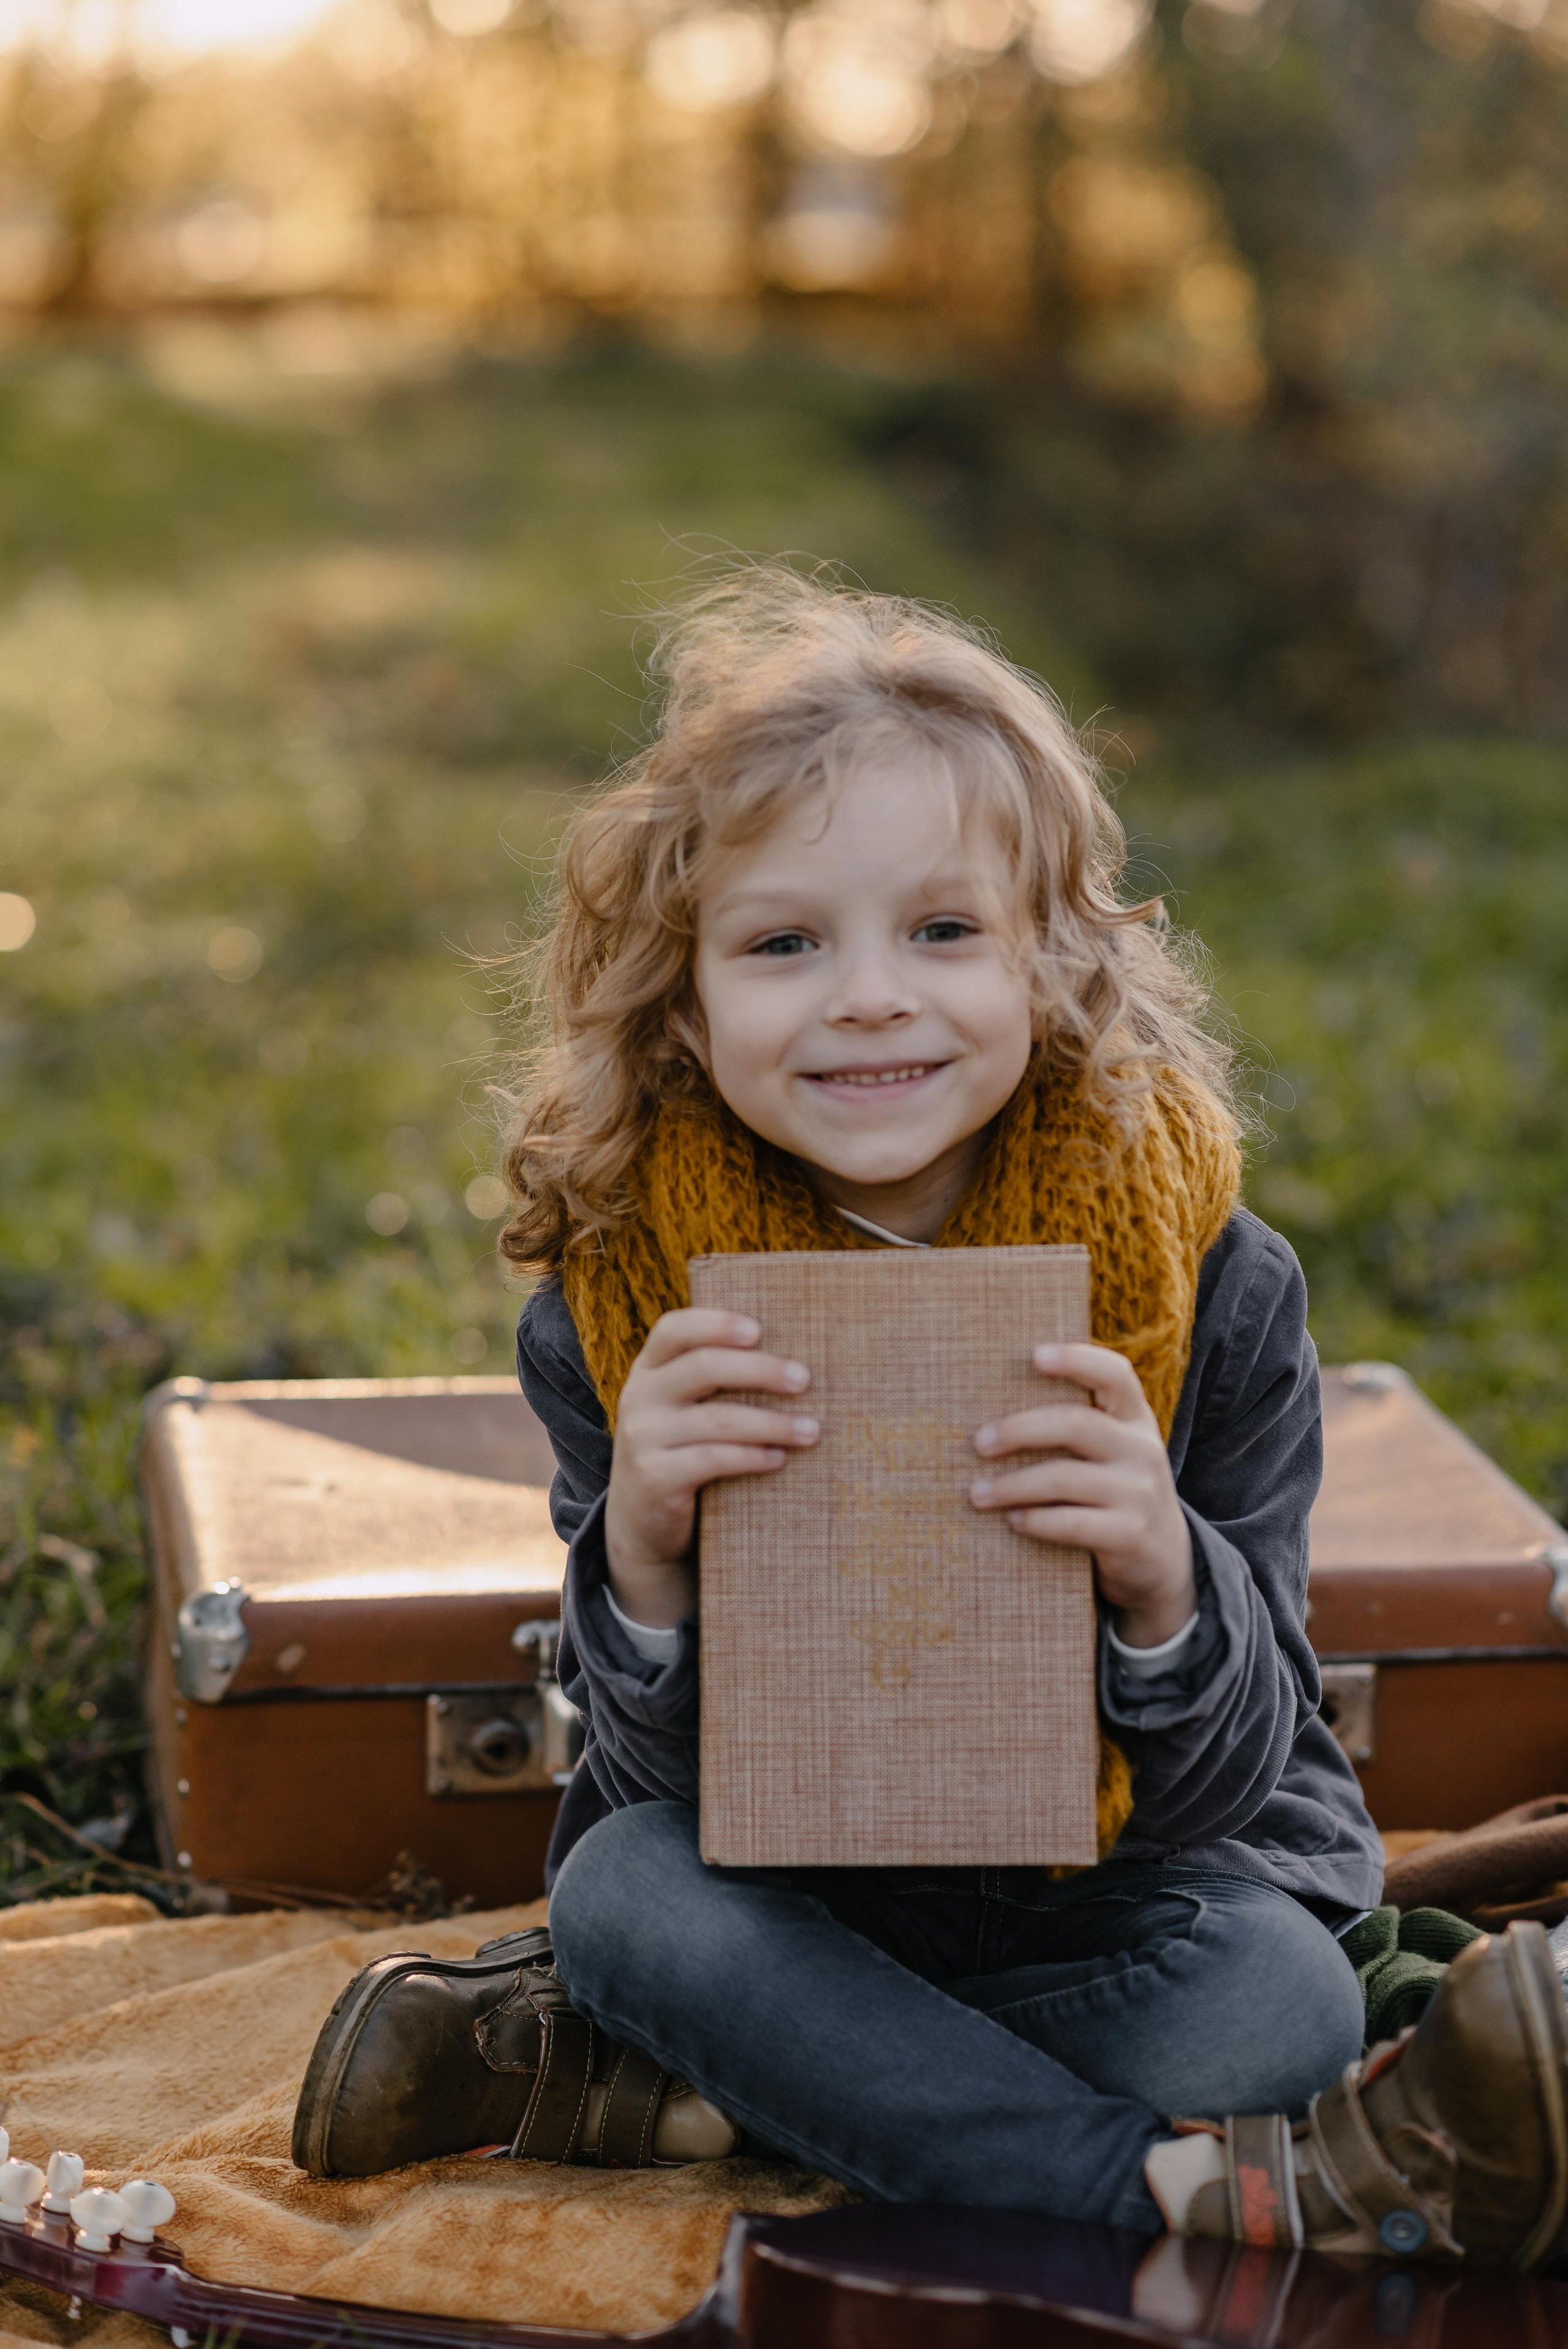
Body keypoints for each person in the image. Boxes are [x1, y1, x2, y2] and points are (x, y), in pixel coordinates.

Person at [293, 567, 1568, 2268]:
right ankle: (1176, 2190)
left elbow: (1247, 1772)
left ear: (1051, 959)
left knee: (1273, 2008)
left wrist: (1161, 1575)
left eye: (943, 930)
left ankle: (697, 2088)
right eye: (784, 942)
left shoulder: (1220, 1284)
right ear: (683, 1001)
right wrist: (651, 1555)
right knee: (620, 1899)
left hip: (1125, 1899)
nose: (872, 995)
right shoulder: (622, 1303)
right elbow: (649, 1781)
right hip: (796, 1888)